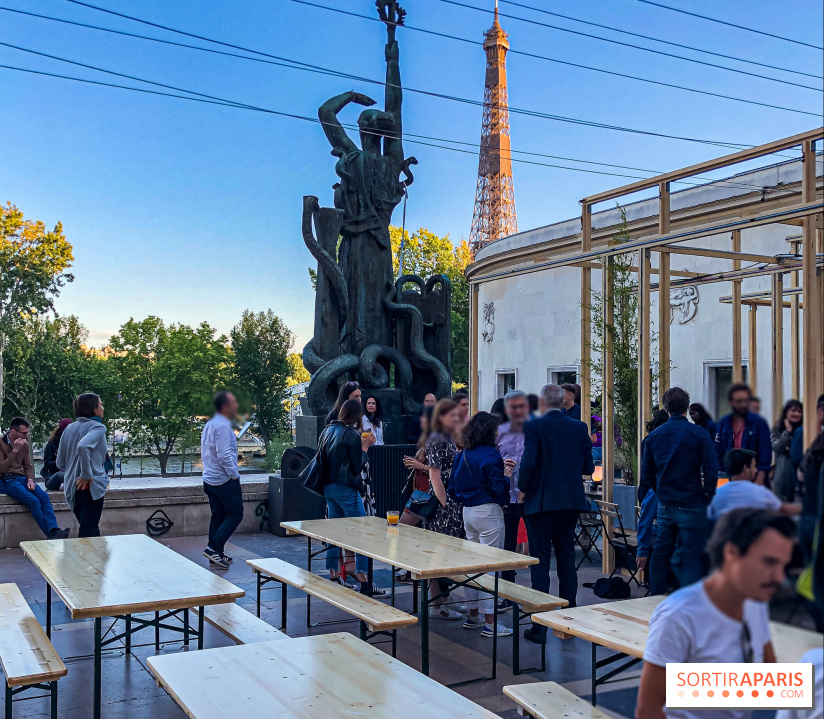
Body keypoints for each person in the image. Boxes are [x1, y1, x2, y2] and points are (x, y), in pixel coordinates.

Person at [636, 509, 794, 719]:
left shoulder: (754, 602)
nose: (779, 577)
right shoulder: (677, 616)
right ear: (732, 552)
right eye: (769, 562)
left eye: (783, 565)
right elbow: (648, 711)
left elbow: (769, 681)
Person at [519, 384, 594, 643]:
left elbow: (528, 463)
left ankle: (539, 625)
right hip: (569, 501)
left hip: (541, 502)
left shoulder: (534, 426)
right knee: (566, 557)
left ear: (542, 402)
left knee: (540, 561)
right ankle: (568, 620)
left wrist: (522, 487)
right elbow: (588, 466)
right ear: (563, 402)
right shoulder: (579, 427)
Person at [642, 386, 718, 596]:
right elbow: (711, 471)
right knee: (693, 552)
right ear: (687, 406)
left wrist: (660, 492)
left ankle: (656, 598)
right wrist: (707, 496)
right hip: (692, 500)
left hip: (666, 501)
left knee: (661, 551)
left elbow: (647, 474)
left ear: (666, 408)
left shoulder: (654, 436)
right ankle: (691, 600)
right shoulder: (699, 434)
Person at [448, 411, 512, 638]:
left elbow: (452, 488)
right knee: (490, 567)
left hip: (468, 511)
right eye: (495, 429)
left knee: (473, 566)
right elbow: (499, 488)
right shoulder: (491, 454)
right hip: (488, 511)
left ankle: (473, 615)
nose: (497, 433)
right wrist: (506, 475)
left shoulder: (463, 454)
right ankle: (491, 623)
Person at [317, 398, 385, 595]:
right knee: (363, 531)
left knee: (334, 532)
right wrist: (365, 448)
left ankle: (333, 573)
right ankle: (364, 579)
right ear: (356, 416)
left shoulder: (328, 430)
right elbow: (357, 467)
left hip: (328, 488)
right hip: (347, 489)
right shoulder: (351, 434)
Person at [425, 397, 466, 619]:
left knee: (447, 554)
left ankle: (444, 597)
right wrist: (445, 504)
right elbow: (435, 475)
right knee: (438, 553)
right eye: (452, 415)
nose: (457, 418)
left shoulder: (446, 436)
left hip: (452, 500)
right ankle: (437, 603)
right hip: (444, 505)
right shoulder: (437, 438)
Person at [1, 418, 69, 540]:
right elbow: (2, 468)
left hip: (22, 478)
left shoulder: (25, 445)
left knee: (44, 497)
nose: (26, 436)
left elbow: (28, 466)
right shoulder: (1, 444)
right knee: (33, 501)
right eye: (23, 433)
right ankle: (50, 535)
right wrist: (15, 450)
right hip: (6, 480)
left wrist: (30, 479)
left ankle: (54, 529)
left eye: (27, 433)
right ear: (13, 431)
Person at [200, 391, 243, 569]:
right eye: (233, 403)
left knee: (218, 515)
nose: (236, 406)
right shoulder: (224, 426)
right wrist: (234, 474)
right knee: (236, 514)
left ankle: (216, 553)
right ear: (225, 406)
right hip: (224, 480)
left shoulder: (210, 423)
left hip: (210, 478)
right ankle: (213, 548)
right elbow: (224, 455)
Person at [58, 394, 110, 538]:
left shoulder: (69, 428)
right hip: (90, 486)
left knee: (89, 527)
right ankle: (88, 553)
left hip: (72, 486)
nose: (103, 408)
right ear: (94, 409)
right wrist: (86, 474)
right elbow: (83, 446)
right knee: (89, 532)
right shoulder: (98, 427)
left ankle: (95, 553)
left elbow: (60, 462)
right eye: (100, 405)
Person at [708, 449, 800, 520]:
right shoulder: (759, 492)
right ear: (745, 468)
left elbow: (710, 516)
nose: (756, 470)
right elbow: (784, 509)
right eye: (754, 466)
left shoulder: (718, 495)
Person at [496, 390, 529, 587]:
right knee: (507, 544)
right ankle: (508, 589)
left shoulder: (534, 430)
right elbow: (489, 461)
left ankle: (537, 592)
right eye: (513, 407)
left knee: (536, 544)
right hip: (506, 497)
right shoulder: (498, 432)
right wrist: (501, 465)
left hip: (530, 496)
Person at [635, 409, 670, 584]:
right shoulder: (659, 440)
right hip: (654, 488)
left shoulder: (649, 439)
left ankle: (649, 577)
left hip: (647, 487)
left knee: (653, 527)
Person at [715, 383, 771, 485]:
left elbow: (765, 452)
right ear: (730, 402)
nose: (743, 405)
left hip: (753, 476)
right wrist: (721, 473)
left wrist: (760, 478)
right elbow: (718, 450)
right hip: (728, 475)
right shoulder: (724, 422)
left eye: (745, 401)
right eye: (738, 401)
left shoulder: (759, 423)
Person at [771, 399, 803, 502]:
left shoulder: (803, 430)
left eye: (799, 411)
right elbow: (777, 447)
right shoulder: (777, 430)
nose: (796, 414)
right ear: (786, 412)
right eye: (793, 410)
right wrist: (787, 432)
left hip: (798, 473)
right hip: (782, 473)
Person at [41, 418, 72, 491]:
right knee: (60, 475)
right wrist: (62, 462)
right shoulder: (52, 444)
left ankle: (65, 484)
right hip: (53, 475)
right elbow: (47, 464)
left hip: (70, 473)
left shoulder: (74, 443)